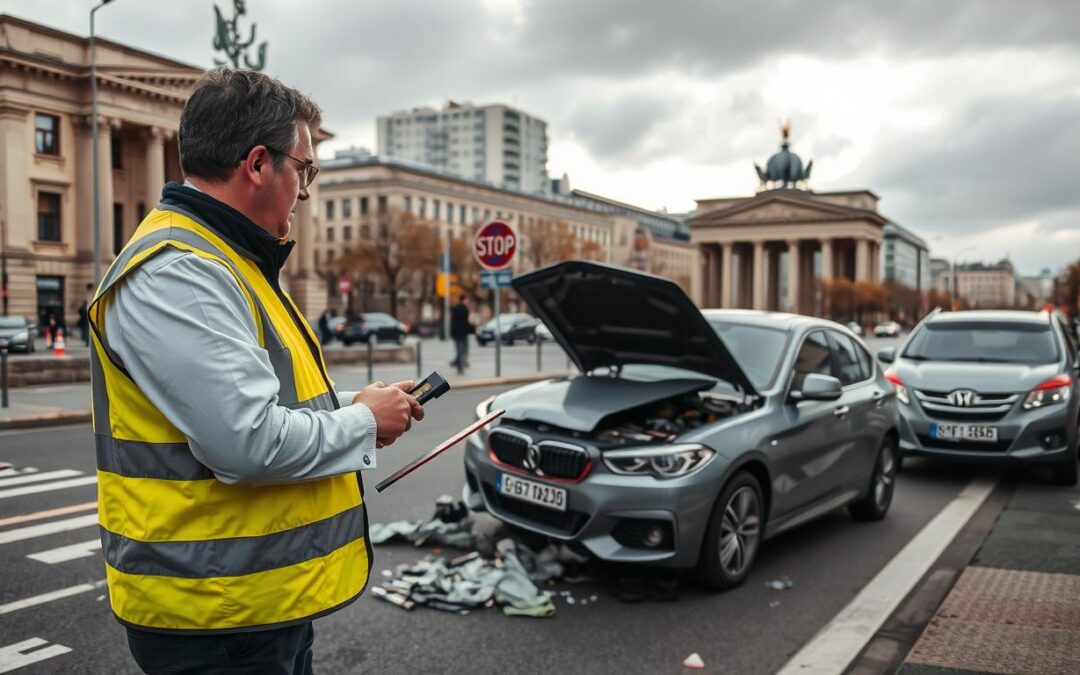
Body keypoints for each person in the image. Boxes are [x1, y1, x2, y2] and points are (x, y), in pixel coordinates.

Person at [87, 68, 423, 674]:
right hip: (212, 615)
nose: (305, 191)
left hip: (246, 603)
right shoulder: (181, 270)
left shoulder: (222, 259)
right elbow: (246, 442)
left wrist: (359, 402)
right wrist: (361, 424)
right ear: (259, 164)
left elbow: (259, 399)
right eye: (305, 168)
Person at [449, 293, 472, 374]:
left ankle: (457, 362)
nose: (468, 301)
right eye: (467, 300)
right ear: (464, 300)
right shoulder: (464, 309)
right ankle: (459, 365)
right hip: (462, 332)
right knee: (462, 349)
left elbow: (453, 322)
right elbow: (465, 322)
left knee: (460, 349)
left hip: (457, 332)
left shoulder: (455, 308)